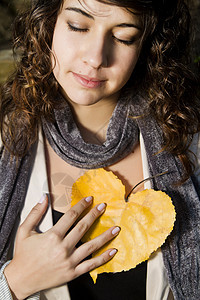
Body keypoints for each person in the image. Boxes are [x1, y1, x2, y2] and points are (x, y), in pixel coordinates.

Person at [0, 0, 200, 299]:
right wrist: (15, 281)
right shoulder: (6, 140)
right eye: (78, 26)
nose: (95, 58)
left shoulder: (189, 142)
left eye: (123, 37)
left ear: (147, 46)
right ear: (48, 24)